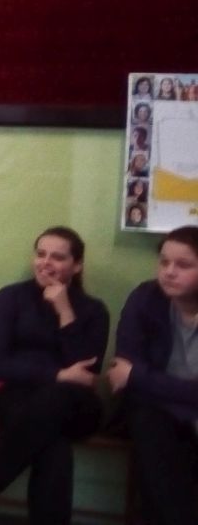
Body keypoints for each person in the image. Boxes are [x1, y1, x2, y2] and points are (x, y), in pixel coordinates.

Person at [0, 227, 109, 525]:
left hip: (75, 405)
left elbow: (87, 372)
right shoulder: (11, 298)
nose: (46, 263)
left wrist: (65, 311)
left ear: (77, 265)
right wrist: (59, 374)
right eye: (41, 254)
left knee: (56, 400)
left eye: (58, 257)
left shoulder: (94, 310)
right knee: (54, 446)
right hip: (13, 394)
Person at [108, 225, 198, 525]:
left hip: (174, 406)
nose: (169, 272)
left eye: (183, 265)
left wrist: (140, 377)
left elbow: (133, 374)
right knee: (153, 429)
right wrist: (140, 378)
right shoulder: (146, 298)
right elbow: (122, 371)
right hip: (154, 410)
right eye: (164, 262)